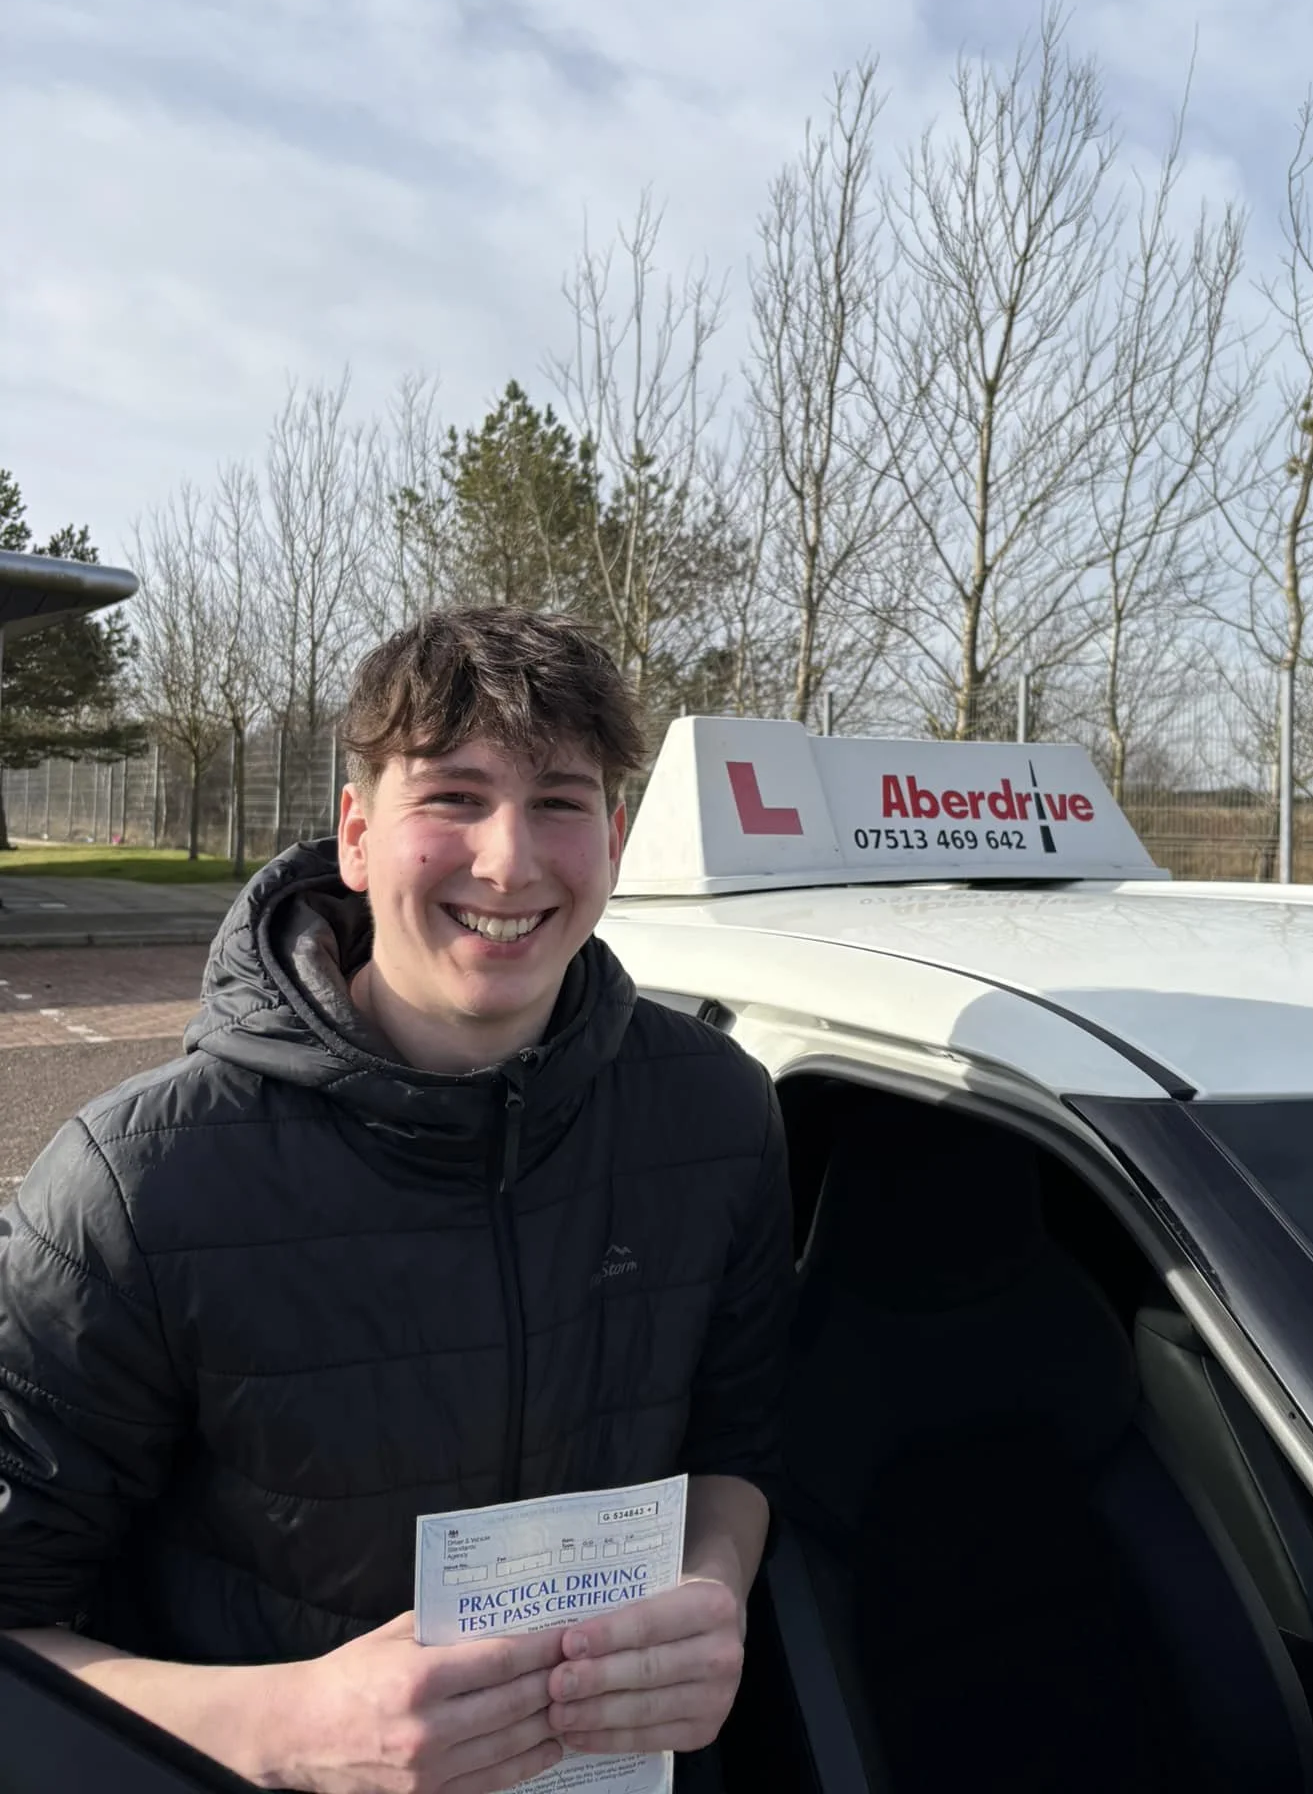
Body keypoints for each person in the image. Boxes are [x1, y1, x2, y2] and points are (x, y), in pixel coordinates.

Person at [0, 610, 794, 1793]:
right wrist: (293, 1728)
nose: (512, 859)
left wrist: (710, 1588)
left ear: (614, 839)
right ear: (358, 834)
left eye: (562, 801)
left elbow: (740, 1441)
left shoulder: (718, 1115)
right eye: (455, 797)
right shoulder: (136, 1180)